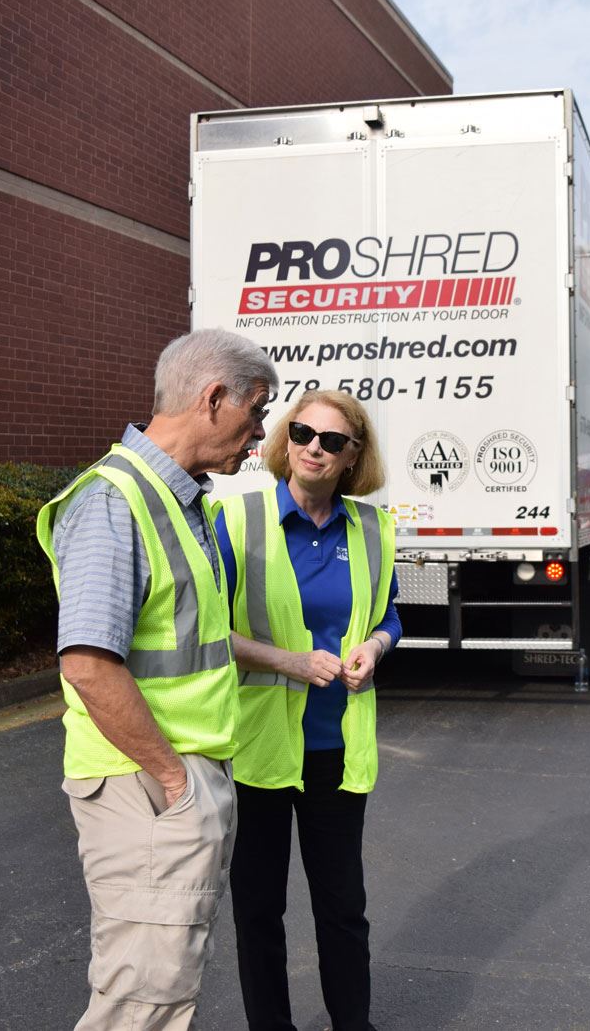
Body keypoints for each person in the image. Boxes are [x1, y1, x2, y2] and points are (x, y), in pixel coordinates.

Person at [35, 329, 277, 1031]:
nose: (259, 434)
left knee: (162, 987)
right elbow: (85, 662)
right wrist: (175, 783)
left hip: (169, 784)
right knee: (142, 998)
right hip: (145, 785)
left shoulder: (179, 499)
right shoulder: (114, 501)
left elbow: (188, 636)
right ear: (212, 399)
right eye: (255, 412)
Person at [215, 389, 400, 1031]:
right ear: (284, 440)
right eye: (301, 434)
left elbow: (389, 616)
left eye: (331, 441)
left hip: (337, 751)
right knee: (260, 909)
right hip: (260, 750)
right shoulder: (236, 522)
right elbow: (207, 630)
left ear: (354, 458)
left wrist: (375, 646)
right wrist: (289, 661)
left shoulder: (374, 530)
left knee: (343, 908)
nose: (312, 449)